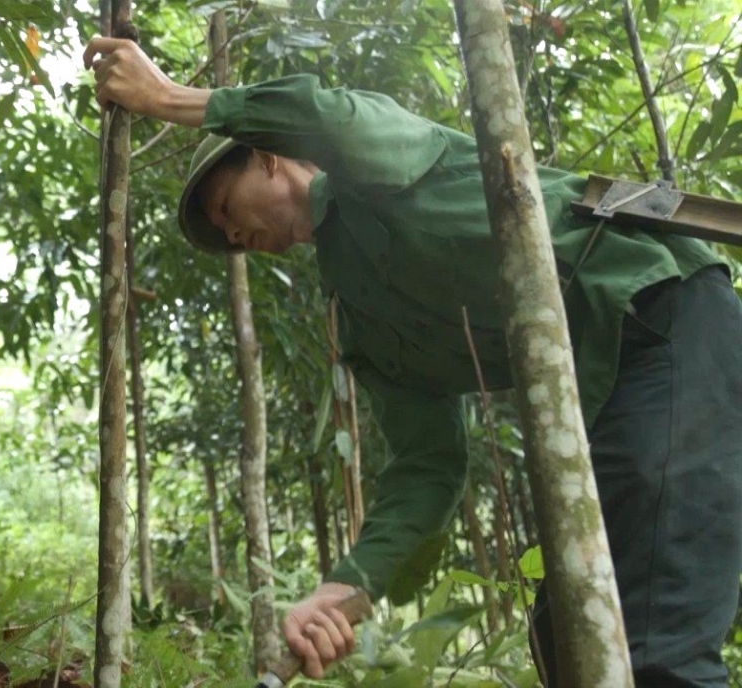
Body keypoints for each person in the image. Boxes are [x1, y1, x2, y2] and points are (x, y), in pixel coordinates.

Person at [82, 36, 742, 686]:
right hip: (610, 387)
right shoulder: (357, 314)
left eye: (226, 207)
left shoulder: (372, 165)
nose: (233, 234)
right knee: (570, 636)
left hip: (664, 310)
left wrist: (167, 98)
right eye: (226, 237)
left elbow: (328, 117)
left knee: (658, 642)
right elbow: (428, 465)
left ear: (270, 159)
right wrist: (345, 586)